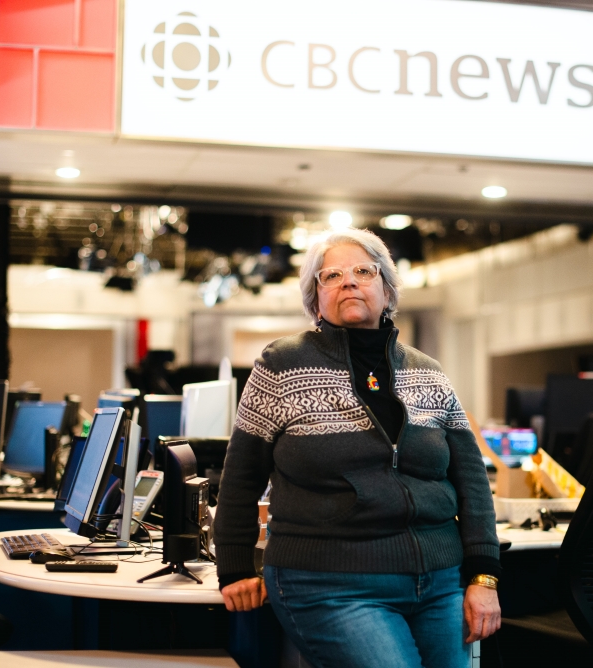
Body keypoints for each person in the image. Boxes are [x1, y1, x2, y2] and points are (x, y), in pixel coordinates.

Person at [214, 228, 501, 668]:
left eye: (363, 271)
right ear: (315, 298)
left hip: (439, 582)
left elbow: (472, 481)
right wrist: (233, 567)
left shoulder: (429, 372)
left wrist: (484, 577)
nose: (348, 282)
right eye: (331, 276)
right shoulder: (281, 365)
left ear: (387, 289)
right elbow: (239, 477)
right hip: (329, 581)